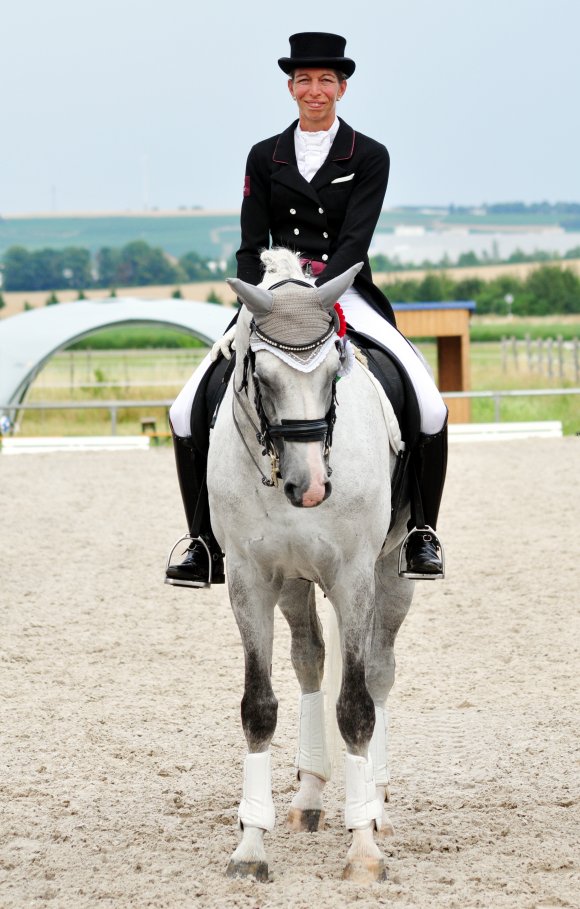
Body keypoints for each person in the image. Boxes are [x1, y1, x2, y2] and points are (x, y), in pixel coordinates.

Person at [166, 32, 448, 589]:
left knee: (430, 404)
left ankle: (421, 530)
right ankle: (202, 542)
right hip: (273, 296)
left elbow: (355, 241)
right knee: (183, 409)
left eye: (324, 80)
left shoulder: (368, 155)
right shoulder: (264, 155)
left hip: (342, 292)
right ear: (290, 87)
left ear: (341, 88)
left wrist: (315, 292)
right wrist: (257, 297)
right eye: (303, 80)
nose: (314, 89)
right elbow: (251, 243)